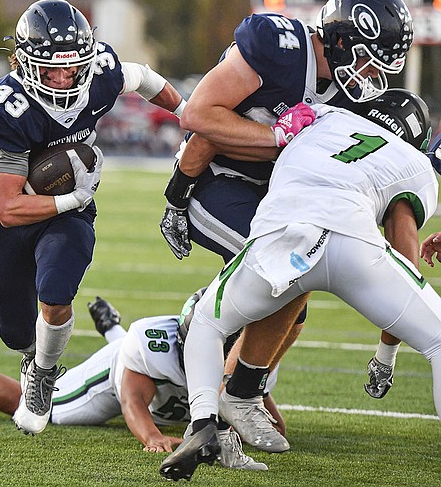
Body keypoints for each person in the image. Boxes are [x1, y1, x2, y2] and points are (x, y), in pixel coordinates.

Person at [158, 0, 414, 451]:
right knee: (289, 270)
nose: (367, 76)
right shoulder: (278, 46)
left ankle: (240, 392)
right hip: (218, 181)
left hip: (280, 196)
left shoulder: (348, 97)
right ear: (340, 38)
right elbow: (198, 115)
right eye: (364, 59)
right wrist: (179, 195)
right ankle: (218, 359)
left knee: (299, 278)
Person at [159, 90, 438, 481]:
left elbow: (249, 137)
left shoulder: (320, 115)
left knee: (206, 322)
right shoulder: (412, 161)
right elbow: (406, 251)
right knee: (439, 340)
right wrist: (386, 354)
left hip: (281, 238)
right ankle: (239, 395)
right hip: (351, 241)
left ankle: (203, 425)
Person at [0, 0, 208, 435]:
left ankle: (44, 374)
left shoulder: (99, 75)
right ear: (24, 64)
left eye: (72, 67)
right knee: (12, 320)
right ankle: (30, 354)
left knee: (56, 292)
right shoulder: (9, 109)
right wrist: (73, 197)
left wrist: (187, 113)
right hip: (26, 209)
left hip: (70, 214)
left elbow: (141, 77)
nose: (64, 78)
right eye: (51, 69)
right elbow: (8, 210)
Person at [0, 296, 268, 471]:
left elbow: (248, 400)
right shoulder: (155, 343)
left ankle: (110, 327)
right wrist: (151, 436)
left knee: (133, 356)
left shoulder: (250, 351)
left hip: (138, 366)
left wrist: (263, 428)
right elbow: (132, 399)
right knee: (47, 407)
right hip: (118, 373)